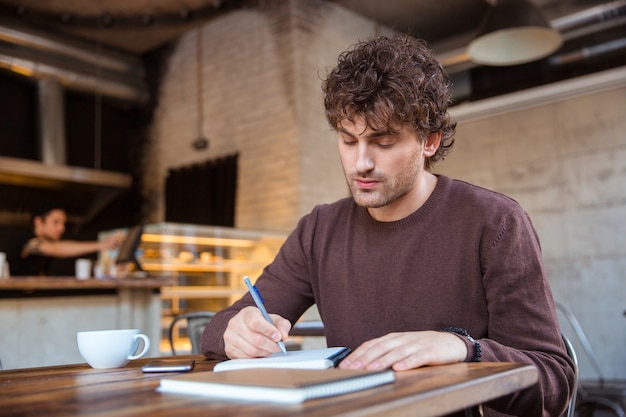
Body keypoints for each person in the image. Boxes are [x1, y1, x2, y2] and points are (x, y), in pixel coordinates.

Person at [200, 35, 575, 416]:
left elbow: (554, 381)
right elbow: (216, 330)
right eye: (348, 140)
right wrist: (237, 332)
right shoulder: (319, 229)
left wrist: (464, 349)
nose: (360, 163)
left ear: (429, 141)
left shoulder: (495, 222)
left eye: (383, 142)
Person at [4, 203, 121, 276]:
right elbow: (56, 249)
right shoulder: (26, 239)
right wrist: (102, 245)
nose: (62, 228)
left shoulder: (47, 245)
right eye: (56, 222)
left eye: (63, 223)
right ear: (38, 222)